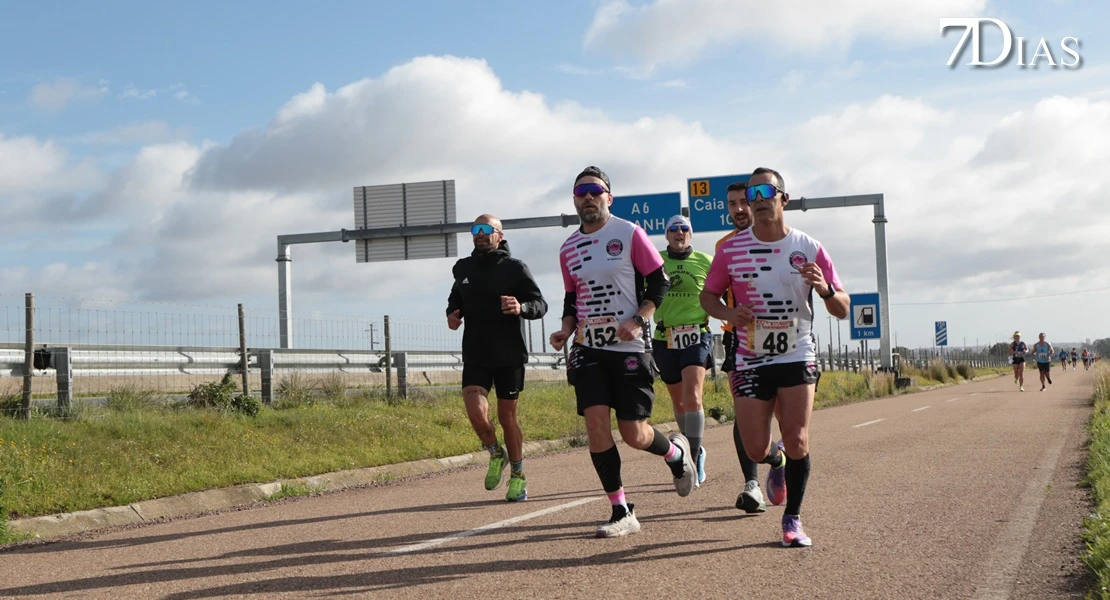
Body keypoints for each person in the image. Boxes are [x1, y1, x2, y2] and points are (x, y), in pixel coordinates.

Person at [700, 167, 849, 548]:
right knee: (755, 448)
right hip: (751, 357)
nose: (760, 199)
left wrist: (826, 288)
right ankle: (775, 462)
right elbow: (709, 297)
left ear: (783, 198)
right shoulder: (730, 250)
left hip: (797, 352)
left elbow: (843, 308)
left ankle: (792, 520)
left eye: (768, 191)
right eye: (753, 194)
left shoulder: (810, 247)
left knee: (797, 438)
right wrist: (730, 315)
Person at [549, 166, 697, 538]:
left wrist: (640, 317)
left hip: (630, 345)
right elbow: (572, 298)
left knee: (633, 433)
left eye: (595, 190)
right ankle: (621, 510)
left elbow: (659, 281)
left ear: (608, 197)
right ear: (574, 199)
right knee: (596, 424)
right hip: (589, 347)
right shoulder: (568, 248)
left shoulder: (628, 233)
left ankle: (676, 455)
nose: (588, 197)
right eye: (581, 191)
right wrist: (566, 330)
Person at [446, 215, 549, 502]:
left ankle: (518, 475)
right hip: (476, 354)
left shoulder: (515, 268)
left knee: (507, 417)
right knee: (477, 416)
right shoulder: (463, 268)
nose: (480, 234)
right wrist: (452, 314)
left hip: (509, 355)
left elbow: (540, 304)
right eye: (475, 230)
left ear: (499, 235)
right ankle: (496, 453)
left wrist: (521, 306)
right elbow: (456, 298)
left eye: (486, 230)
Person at [716, 181, 770, 514]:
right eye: (732, 204)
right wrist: (732, 313)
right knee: (746, 411)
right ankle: (752, 484)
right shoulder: (724, 246)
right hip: (740, 336)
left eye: (743, 202)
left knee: (779, 411)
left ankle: (779, 462)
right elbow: (715, 290)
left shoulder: (782, 239)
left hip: (782, 335)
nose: (738, 209)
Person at [653, 214, 714, 487]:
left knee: (693, 397)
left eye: (684, 229)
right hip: (664, 335)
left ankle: (694, 453)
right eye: (673, 229)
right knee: (678, 403)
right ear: (666, 235)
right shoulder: (654, 260)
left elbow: (721, 291)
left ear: (691, 234)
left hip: (696, 334)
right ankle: (691, 447)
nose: (679, 233)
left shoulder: (705, 261)